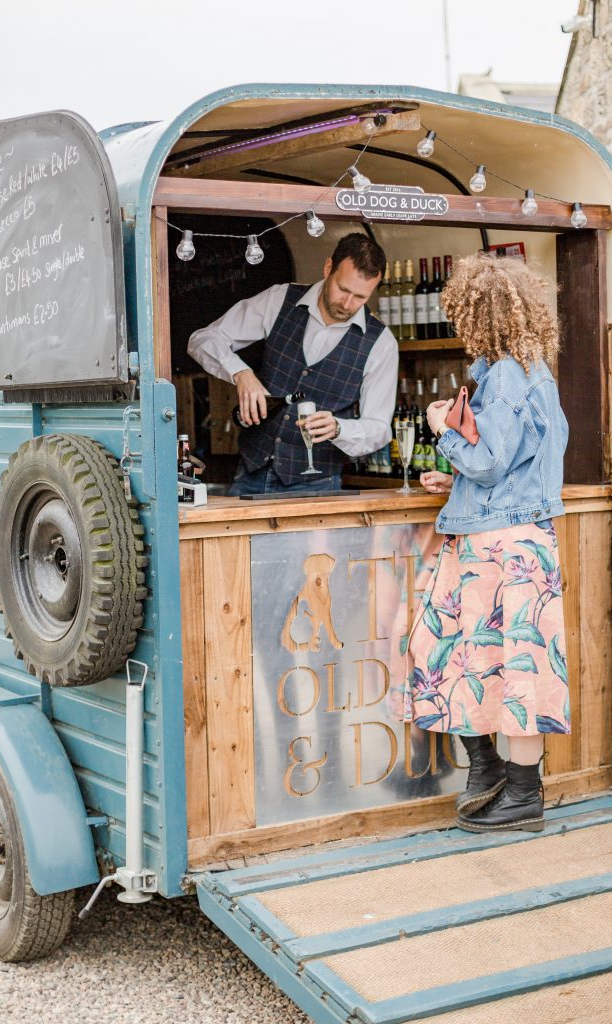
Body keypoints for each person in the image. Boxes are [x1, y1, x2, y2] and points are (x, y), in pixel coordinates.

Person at [396, 251, 570, 833]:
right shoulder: (536, 372)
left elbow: (492, 462)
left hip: (497, 550)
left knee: (461, 655)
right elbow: (515, 468)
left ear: (479, 315)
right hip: (522, 541)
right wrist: (458, 480)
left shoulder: (504, 375)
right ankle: (503, 780)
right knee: (511, 665)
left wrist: (444, 431)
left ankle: (516, 792)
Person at [188, 233, 398, 495]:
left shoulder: (382, 343)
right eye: (343, 289)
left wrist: (339, 428)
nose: (347, 304)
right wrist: (241, 373)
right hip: (252, 472)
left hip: (319, 487)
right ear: (328, 268)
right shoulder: (279, 300)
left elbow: (379, 428)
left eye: (360, 297)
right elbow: (202, 340)